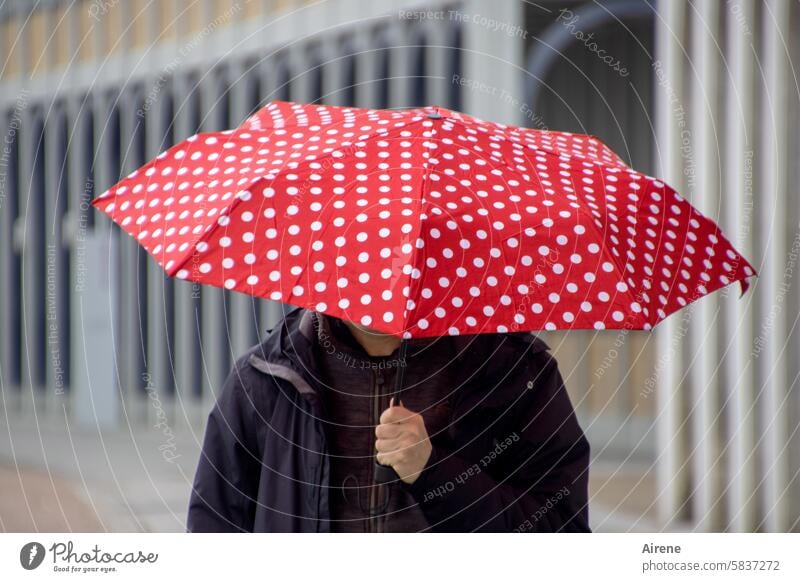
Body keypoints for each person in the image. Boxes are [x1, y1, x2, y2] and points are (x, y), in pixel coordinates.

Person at [187, 306, 591, 532]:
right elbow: (214, 528)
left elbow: (561, 528)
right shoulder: (264, 377)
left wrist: (435, 473)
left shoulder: (515, 373)